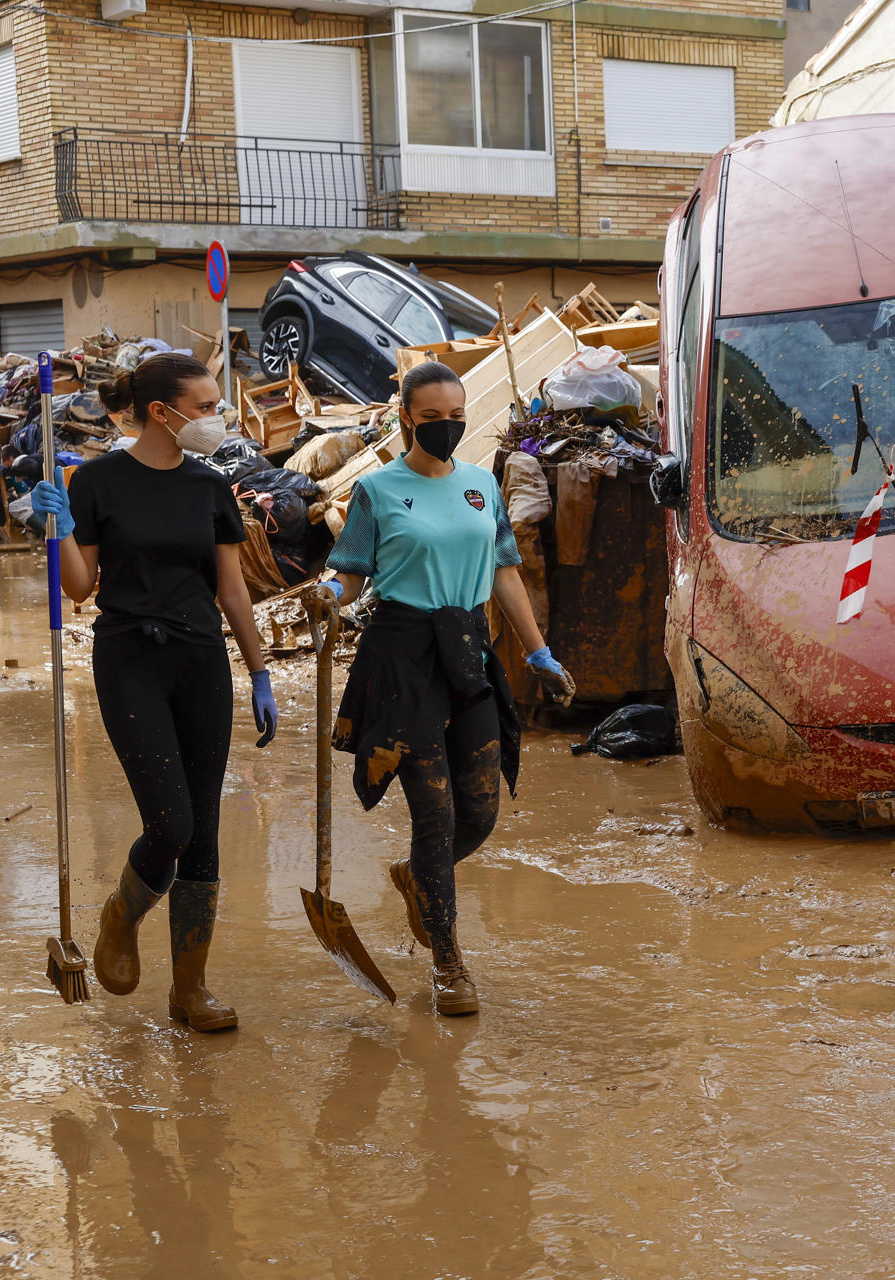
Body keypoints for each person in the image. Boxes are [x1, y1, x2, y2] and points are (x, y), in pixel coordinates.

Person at [29, 352, 278, 1033]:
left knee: (203, 834)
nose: (215, 419)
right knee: (171, 821)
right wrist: (57, 527)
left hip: (201, 660)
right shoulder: (99, 480)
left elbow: (232, 589)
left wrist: (258, 672)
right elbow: (81, 587)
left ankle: (190, 990)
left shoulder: (210, 486)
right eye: (204, 407)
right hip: (130, 657)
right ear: (161, 413)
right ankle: (122, 913)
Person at [319, 360, 572, 1016]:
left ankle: (417, 880)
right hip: (401, 659)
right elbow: (349, 572)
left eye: (455, 416)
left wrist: (540, 653)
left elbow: (504, 573)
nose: (446, 427)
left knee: (479, 813)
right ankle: (448, 963)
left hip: (467, 651)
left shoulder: (480, 487)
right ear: (406, 416)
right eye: (431, 417)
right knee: (435, 815)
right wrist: (327, 593)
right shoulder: (377, 491)